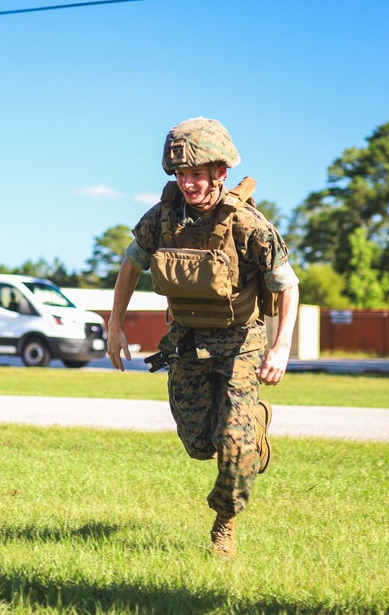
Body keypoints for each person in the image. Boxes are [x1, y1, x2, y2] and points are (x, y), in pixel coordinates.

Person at [107, 117, 300, 558]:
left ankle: (224, 524)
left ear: (220, 173)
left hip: (241, 341)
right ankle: (250, 428)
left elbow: (287, 284)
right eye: (181, 175)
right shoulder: (161, 219)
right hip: (187, 340)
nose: (189, 183)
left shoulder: (248, 225)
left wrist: (280, 346)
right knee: (199, 443)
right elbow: (131, 265)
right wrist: (115, 324)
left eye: (197, 174)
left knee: (234, 443)